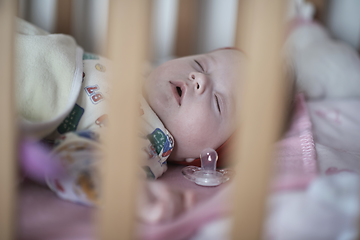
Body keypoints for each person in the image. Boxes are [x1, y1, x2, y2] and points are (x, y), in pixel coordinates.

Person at [16, 18, 244, 222]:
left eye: (217, 102)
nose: (201, 79)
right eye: (200, 64)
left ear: (199, 158)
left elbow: (77, 161)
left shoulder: (147, 140)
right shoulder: (146, 73)